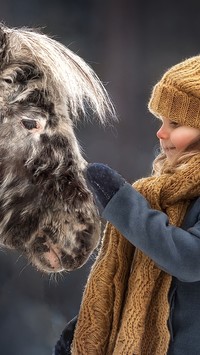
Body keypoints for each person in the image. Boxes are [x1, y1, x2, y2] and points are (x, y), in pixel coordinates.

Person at [54, 55, 200, 355]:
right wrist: (93, 328)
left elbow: (190, 260)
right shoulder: (165, 191)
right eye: (161, 121)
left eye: (175, 123)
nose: (161, 133)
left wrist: (123, 204)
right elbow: (142, 281)